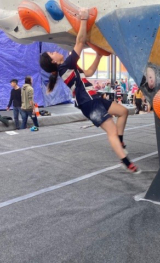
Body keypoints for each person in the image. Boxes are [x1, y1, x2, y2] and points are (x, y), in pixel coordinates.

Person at [39, 7, 141, 174]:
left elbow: (89, 73)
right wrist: (84, 20)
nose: (55, 52)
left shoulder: (69, 67)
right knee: (111, 131)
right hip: (88, 103)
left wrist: (98, 56)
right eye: (52, 53)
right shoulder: (65, 66)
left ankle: (120, 142)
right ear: (54, 62)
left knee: (123, 112)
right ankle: (126, 161)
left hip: (95, 99)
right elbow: (80, 41)